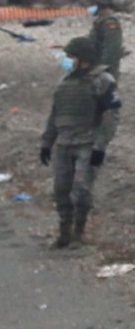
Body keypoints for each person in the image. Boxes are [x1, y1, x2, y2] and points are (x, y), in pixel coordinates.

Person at [40, 36, 121, 248]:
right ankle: (64, 232)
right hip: (64, 144)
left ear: (84, 59)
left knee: (81, 189)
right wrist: (47, 143)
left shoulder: (103, 80)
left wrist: (100, 146)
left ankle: (79, 232)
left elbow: (112, 115)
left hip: (88, 142)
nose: (67, 61)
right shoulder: (65, 84)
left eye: (71, 57)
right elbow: (55, 115)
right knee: (61, 189)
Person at [86, 0, 123, 83]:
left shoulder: (110, 23)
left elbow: (112, 50)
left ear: (100, 3)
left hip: (105, 74)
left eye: (91, 4)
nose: (89, 7)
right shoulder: (100, 21)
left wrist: (100, 71)